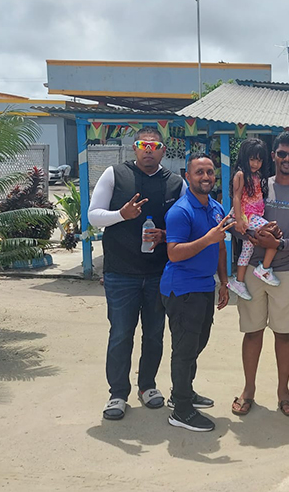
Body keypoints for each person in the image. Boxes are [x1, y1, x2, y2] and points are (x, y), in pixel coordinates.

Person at [88, 127, 185, 420]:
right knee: (120, 334)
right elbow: (93, 217)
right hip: (121, 272)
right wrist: (122, 215)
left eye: (155, 146)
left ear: (163, 151)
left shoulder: (175, 183)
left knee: (154, 334)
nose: (148, 150)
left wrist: (166, 235)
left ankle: (148, 386)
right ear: (134, 147)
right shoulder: (115, 175)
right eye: (143, 145)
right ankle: (117, 394)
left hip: (158, 273)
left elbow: (186, 225)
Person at [231, 131, 289, 418]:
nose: (286, 159)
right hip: (250, 273)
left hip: (286, 273)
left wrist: (280, 244)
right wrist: (244, 230)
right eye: (281, 153)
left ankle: (283, 391)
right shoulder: (255, 183)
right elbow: (235, 217)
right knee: (252, 331)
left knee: (284, 334)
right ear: (273, 156)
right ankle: (249, 389)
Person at [160, 154, 234, 432]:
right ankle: (180, 409)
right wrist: (208, 238)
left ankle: (185, 392)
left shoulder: (215, 208)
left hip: (205, 286)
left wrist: (224, 283)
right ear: (188, 177)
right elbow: (174, 253)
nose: (206, 177)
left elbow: (221, 247)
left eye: (210, 172)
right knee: (184, 350)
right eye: (199, 172)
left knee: (196, 345)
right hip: (182, 289)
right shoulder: (181, 211)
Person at [227, 138, 279, 300]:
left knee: (247, 249)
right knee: (274, 234)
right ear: (244, 157)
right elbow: (236, 197)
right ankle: (264, 268)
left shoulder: (256, 175)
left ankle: (239, 281)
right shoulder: (241, 175)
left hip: (254, 214)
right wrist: (240, 220)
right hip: (247, 216)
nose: (256, 163)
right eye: (252, 159)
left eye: (259, 159)